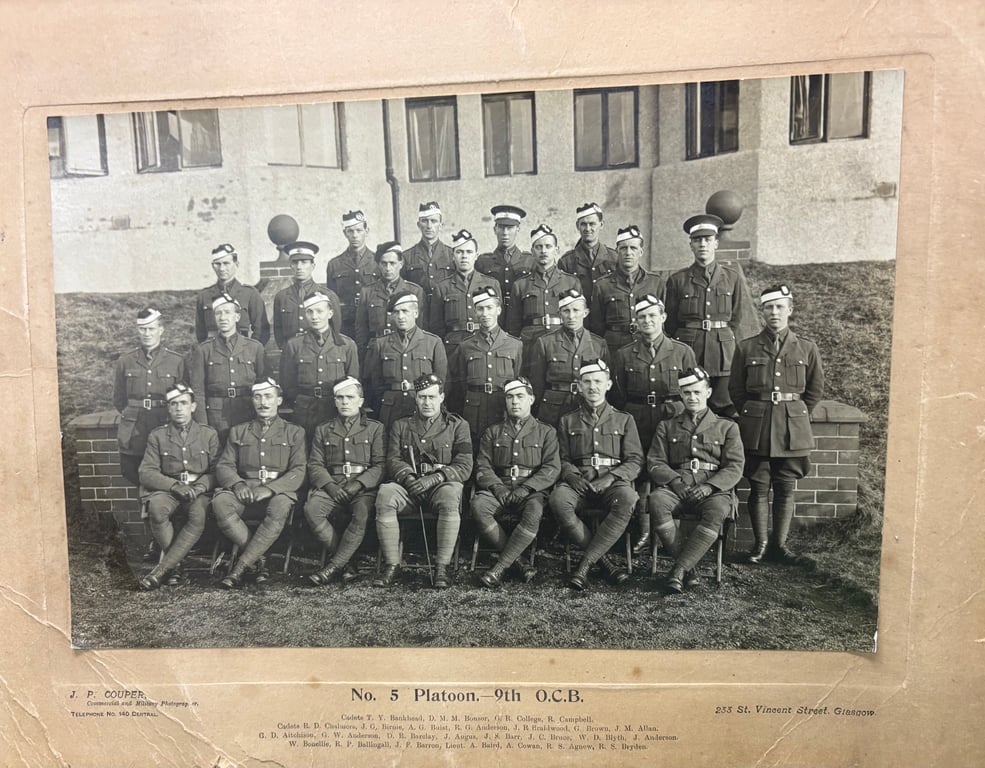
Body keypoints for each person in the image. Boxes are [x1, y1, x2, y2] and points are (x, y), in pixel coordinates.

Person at [729, 284, 824, 565]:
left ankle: (779, 547)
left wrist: (795, 413)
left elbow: (814, 390)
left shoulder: (807, 348)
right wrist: (752, 414)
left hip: (791, 430)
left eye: (780, 306)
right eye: (769, 307)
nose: (774, 312)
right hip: (757, 427)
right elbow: (736, 389)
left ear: (790, 310)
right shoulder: (746, 347)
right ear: (762, 311)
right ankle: (760, 545)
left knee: (785, 487)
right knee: (758, 487)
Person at [610, 294, 697, 553]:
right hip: (637, 418)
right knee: (639, 472)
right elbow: (618, 392)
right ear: (635, 322)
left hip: (671, 418)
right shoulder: (625, 354)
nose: (647, 321)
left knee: (667, 472)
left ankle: (666, 532)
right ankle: (643, 532)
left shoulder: (682, 352)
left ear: (663, 317)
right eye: (642, 317)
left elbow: (693, 389)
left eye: (652, 315)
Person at [646, 367, 744, 592]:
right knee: (657, 501)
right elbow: (655, 461)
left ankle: (679, 570)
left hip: (713, 489)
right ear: (680, 394)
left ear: (708, 393)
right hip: (677, 487)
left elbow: (735, 466)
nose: (692, 397)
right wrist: (675, 481)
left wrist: (710, 487)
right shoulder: (667, 425)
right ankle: (688, 569)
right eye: (687, 393)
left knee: (718, 510)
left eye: (698, 392)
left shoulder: (727, 426)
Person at [373, 373, 473, 589]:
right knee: (385, 494)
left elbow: (464, 465)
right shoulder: (401, 425)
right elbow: (393, 459)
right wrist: (408, 478)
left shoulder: (457, 425)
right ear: (415, 398)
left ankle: (442, 568)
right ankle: (392, 565)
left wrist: (434, 479)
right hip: (409, 488)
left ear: (442, 397)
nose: (427, 402)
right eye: (422, 397)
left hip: (440, 487)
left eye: (431, 397)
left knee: (451, 494)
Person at [549, 359, 643, 590]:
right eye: (587, 382)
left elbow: (635, 460)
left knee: (629, 499)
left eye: (598, 382)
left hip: (612, 483)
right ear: (579, 386)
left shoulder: (624, 419)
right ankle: (605, 562)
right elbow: (561, 458)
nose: (593, 387)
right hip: (579, 483)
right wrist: (572, 476)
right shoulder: (567, 420)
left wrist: (611, 478)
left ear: (608, 385)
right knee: (558, 499)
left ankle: (585, 565)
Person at [213, 378, 307, 589]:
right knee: (220, 503)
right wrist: (237, 484)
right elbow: (224, 466)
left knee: (280, 506)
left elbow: (299, 471)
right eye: (258, 397)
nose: (263, 402)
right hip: (246, 489)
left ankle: (239, 568)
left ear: (279, 400)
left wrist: (271, 489)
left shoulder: (294, 432)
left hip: (279, 491)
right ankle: (258, 560)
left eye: (268, 397)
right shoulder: (239, 431)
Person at [471, 377, 560, 587]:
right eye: (510, 397)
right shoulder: (492, 432)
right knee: (478, 505)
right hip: (499, 488)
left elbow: (551, 468)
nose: (515, 402)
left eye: (520, 396)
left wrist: (527, 488)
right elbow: (483, 466)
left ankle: (500, 567)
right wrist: (497, 487)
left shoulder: (546, 432)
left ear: (531, 399)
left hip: (531, 491)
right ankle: (519, 562)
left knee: (534, 511)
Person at [136, 384, 220, 590]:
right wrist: (173, 485)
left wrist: (200, 487)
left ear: (193, 406)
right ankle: (176, 567)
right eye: (174, 404)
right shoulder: (158, 436)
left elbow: (218, 470)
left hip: (198, 491)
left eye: (184, 403)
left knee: (197, 516)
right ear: (168, 408)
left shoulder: (208, 434)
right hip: (169, 490)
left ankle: (163, 569)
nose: (179, 408)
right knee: (156, 508)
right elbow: (146, 472)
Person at [304, 377, 386, 586]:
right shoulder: (324, 429)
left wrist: (358, 485)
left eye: (350, 397)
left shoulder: (375, 428)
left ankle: (332, 567)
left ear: (361, 401)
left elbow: (380, 465)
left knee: (362, 512)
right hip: (333, 484)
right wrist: (330, 486)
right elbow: (315, 464)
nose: (345, 402)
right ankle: (347, 562)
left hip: (362, 488)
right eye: (340, 398)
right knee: (312, 509)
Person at [664, 214, 748, 415]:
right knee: (688, 407)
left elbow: (735, 318)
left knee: (724, 409)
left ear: (716, 243)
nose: (703, 244)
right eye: (697, 240)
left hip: (722, 354)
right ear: (691, 245)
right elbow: (671, 322)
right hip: (689, 351)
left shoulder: (732, 278)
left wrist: (723, 340)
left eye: (707, 239)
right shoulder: (678, 280)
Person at [113, 307, 187, 486]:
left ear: (161, 330)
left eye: (151, 329)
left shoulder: (176, 361)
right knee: (132, 470)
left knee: (166, 469)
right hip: (135, 428)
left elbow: (184, 397)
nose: (147, 334)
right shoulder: (126, 361)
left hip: (164, 422)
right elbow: (119, 398)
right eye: (143, 329)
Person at [278, 292, 358, 444]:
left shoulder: (346, 345)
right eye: (310, 312)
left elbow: (353, 381)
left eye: (319, 311)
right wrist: (301, 400)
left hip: (334, 409)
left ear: (330, 313)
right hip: (305, 410)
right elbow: (287, 383)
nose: (314, 316)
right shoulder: (294, 345)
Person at [446, 287, 523, 443]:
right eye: (480, 309)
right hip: (474, 411)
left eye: (489, 308)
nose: (485, 313)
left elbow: (518, 378)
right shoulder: (465, 346)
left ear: (499, 310)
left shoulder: (515, 345)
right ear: (475, 312)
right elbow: (461, 384)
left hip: (502, 409)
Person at [188, 294, 267, 444]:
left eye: (227, 312)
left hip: (247, 413)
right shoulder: (204, 350)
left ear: (237, 317)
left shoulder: (254, 348)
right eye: (218, 313)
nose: (223, 317)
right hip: (216, 417)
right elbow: (198, 391)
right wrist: (204, 426)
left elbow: (264, 386)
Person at [364, 291, 447, 430]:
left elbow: (442, 381)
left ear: (416, 313)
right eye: (396, 312)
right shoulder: (381, 344)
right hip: (391, 408)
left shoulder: (433, 342)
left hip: (422, 407)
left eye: (405, 311)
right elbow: (374, 382)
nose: (400, 316)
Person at [526, 288, 609, 426]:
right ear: (559, 314)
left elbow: (605, 383)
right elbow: (537, 384)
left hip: (586, 406)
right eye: (566, 311)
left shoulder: (599, 344)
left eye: (576, 310)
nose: (571, 316)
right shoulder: (545, 342)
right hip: (553, 409)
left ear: (585, 313)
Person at [505, 223, 579, 367]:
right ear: (532, 251)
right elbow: (513, 326)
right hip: (530, 344)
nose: (543, 251)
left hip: (562, 341)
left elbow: (580, 321)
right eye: (538, 247)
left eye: (548, 246)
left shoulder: (571, 282)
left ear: (556, 250)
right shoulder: (521, 285)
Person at [589, 224, 666, 359]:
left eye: (633, 248)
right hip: (614, 349)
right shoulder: (602, 285)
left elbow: (665, 323)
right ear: (617, 251)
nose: (628, 253)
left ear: (641, 252)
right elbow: (596, 327)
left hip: (648, 347)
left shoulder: (656, 283)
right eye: (623, 248)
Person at [428, 228, 501, 362]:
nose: (464, 256)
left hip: (484, 345)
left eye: (469, 252)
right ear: (452, 255)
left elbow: (499, 321)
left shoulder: (492, 283)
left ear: (476, 255)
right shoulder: (442, 287)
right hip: (453, 348)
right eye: (459, 252)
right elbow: (436, 327)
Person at [354, 241, 425, 353]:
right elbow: (361, 328)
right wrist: (364, 353)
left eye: (392, 263)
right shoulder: (367, 292)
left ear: (400, 264)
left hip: (404, 348)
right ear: (378, 265)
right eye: (384, 263)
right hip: (376, 349)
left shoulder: (414, 291)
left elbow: (420, 326)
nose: (388, 268)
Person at [194, 243, 270, 344]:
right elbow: (201, 334)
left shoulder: (250, 294)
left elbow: (261, 330)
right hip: (213, 354)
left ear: (236, 264)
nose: (222, 268)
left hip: (243, 354)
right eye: (218, 264)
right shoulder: (204, 296)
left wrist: (251, 352)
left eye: (226, 263)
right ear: (212, 266)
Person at [272, 241, 343, 349]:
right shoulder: (282, 297)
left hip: (318, 352)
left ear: (313, 266)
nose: (299, 267)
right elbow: (278, 330)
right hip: (291, 353)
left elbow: (336, 328)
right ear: (291, 266)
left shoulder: (328, 295)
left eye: (304, 262)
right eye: (295, 262)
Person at [327, 209, 378, 339]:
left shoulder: (378, 261)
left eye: (359, 230)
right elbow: (332, 300)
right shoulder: (335, 264)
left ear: (366, 231)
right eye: (350, 231)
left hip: (371, 321)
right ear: (345, 233)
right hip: (345, 324)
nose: (355, 235)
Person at [400, 201, 455, 319]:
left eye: (434, 221)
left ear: (441, 225)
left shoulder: (452, 255)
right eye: (424, 221)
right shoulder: (407, 256)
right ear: (418, 225)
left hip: (445, 313)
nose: (429, 226)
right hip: (418, 314)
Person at [476, 204, 534, 312]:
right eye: (501, 227)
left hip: (521, 315)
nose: (505, 233)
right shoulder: (483, 262)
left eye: (510, 227)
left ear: (518, 229)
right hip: (494, 317)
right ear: (495, 229)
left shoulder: (530, 261)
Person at [558, 202, 618, 302]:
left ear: (601, 224)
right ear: (577, 226)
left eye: (592, 224)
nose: (587, 229)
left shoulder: (614, 258)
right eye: (583, 224)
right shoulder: (566, 262)